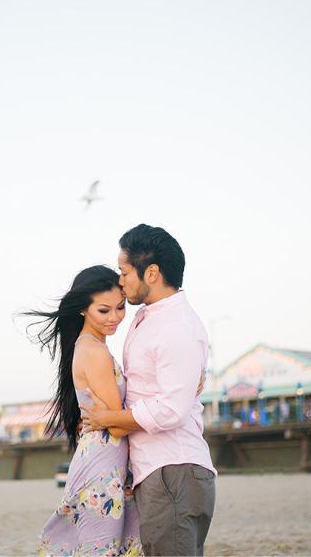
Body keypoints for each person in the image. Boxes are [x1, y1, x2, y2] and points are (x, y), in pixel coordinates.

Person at [80, 224, 217, 556]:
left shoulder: (176, 326)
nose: (120, 280)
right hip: (161, 472)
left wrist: (109, 418)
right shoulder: (152, 318)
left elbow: (172, 409)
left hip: (173, 469)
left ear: (151, 273)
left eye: (125, 271)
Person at [22, 265, 143, 556]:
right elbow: (116, 426)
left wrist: (111, 416)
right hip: (101, 468)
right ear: (83, 310)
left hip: (104, 462)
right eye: (104, 310)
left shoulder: (90, 346)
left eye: (120, 307)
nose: (115, 317)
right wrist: (164, 413)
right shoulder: (95, 352)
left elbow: (111, 419)